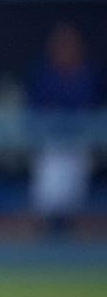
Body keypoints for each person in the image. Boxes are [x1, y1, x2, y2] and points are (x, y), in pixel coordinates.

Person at [28, 22, 100, 239]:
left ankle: (69, 249)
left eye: (69, 45)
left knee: (72, 202)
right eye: (61, 45)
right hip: (52, 145)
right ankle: (43, 250)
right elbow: (35, 109)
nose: (65, 49)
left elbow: (92, 107)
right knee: (48, 198)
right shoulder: (45, 76)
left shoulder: (87, 76)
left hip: (78, 144)